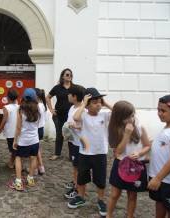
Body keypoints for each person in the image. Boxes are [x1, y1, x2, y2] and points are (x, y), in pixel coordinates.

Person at [67, 88, 112, 217]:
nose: (98, 104)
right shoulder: (84, 115)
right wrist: (83, 104)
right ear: (87, 104)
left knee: (100, 178)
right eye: (95, 102)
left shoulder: (104, 115)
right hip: (85, 152)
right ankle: (81, 196)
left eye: (100, 102)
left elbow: (118, 111)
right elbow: (75, 117)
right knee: (82, 177)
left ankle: (101, 200)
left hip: (100, 153)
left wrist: (105, 103)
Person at [106, 101, 151, 218]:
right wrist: (126, 134)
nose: (132, 119)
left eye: (133, 115)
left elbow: (147, 145)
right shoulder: (114, 129)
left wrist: (139, 152)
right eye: (129, 116)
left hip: (136, 166)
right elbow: (118, 152)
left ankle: (130, 216)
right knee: (115, 194)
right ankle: (108, 215)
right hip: (121, 164)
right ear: (120, 117)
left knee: (132, 195)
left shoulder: (140, 127)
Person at [148, 94, 170, 218]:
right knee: (159, 203)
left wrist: (158, 178)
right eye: (158, 110)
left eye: (163, 111)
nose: (159, 113)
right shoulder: (166, 128)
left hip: (169, 181)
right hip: (159, 178)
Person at [63, 85, 90, 200]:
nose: (67, 96)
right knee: (75, 166)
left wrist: (75, 126)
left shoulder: (84, 110)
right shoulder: (72, 107)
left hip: (81, 144)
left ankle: (79, 189)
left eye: (69, 94)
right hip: (73, 142)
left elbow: (85, 126)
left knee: (79, 168)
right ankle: (76, 184)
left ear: (74, 96)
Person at [12, 88, 40, 191]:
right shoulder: (38, 109)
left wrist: (15, 140)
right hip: (34, 140)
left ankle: (18, 182)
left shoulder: (20, 110)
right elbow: (38, 124)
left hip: (23, 140)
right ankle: (30, 179)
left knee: (18, 158)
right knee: (33, 158)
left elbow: (18, 128)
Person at [46, 68, 73, 160]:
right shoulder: (57, 88)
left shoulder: (74, 87)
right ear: (62, 76)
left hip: (70, 116)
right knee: (59, 134)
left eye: (70, 75)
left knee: (71, 134)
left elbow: (81, 96)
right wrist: (51, 109)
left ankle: (72, 155)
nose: (69, 76)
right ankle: (57, 153)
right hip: (58, 115)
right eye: (67, 74)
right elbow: (48, 97)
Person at [0, 89, 19, 169]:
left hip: (10, 132)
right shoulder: (19, 106)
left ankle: (14, 163)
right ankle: (12, 162)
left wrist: (0, 129)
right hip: (17, 131)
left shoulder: (6, 107)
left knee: (13, 149)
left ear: (8, 97)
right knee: (15, 148)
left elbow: (4, 120)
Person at [35, 88, 47, 174]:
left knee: (34, 150)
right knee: (37, 149)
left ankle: (36, 168)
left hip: (36, 129)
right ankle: (40, 167)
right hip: (41, 129)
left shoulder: (37, 106)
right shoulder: (43, 105)